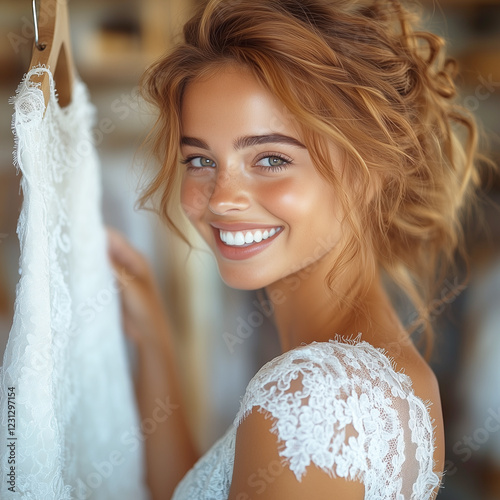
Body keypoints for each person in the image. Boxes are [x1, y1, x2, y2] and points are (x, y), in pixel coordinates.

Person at [106, 0, 485, 498]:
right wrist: (154, 338)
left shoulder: (310, 395)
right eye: (200, 159)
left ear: (369, 169)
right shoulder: (369, 376)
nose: (222, 198)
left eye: (269, 157)